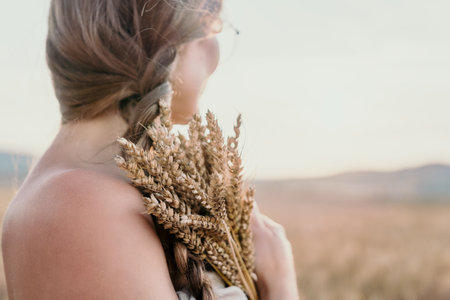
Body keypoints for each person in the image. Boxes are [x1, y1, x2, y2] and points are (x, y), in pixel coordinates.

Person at [1, 0, 299, 299]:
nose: (216, 51)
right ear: (171, 39)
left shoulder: (87, 194)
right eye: (211, 27)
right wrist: (280, 285)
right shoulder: (80, 206)